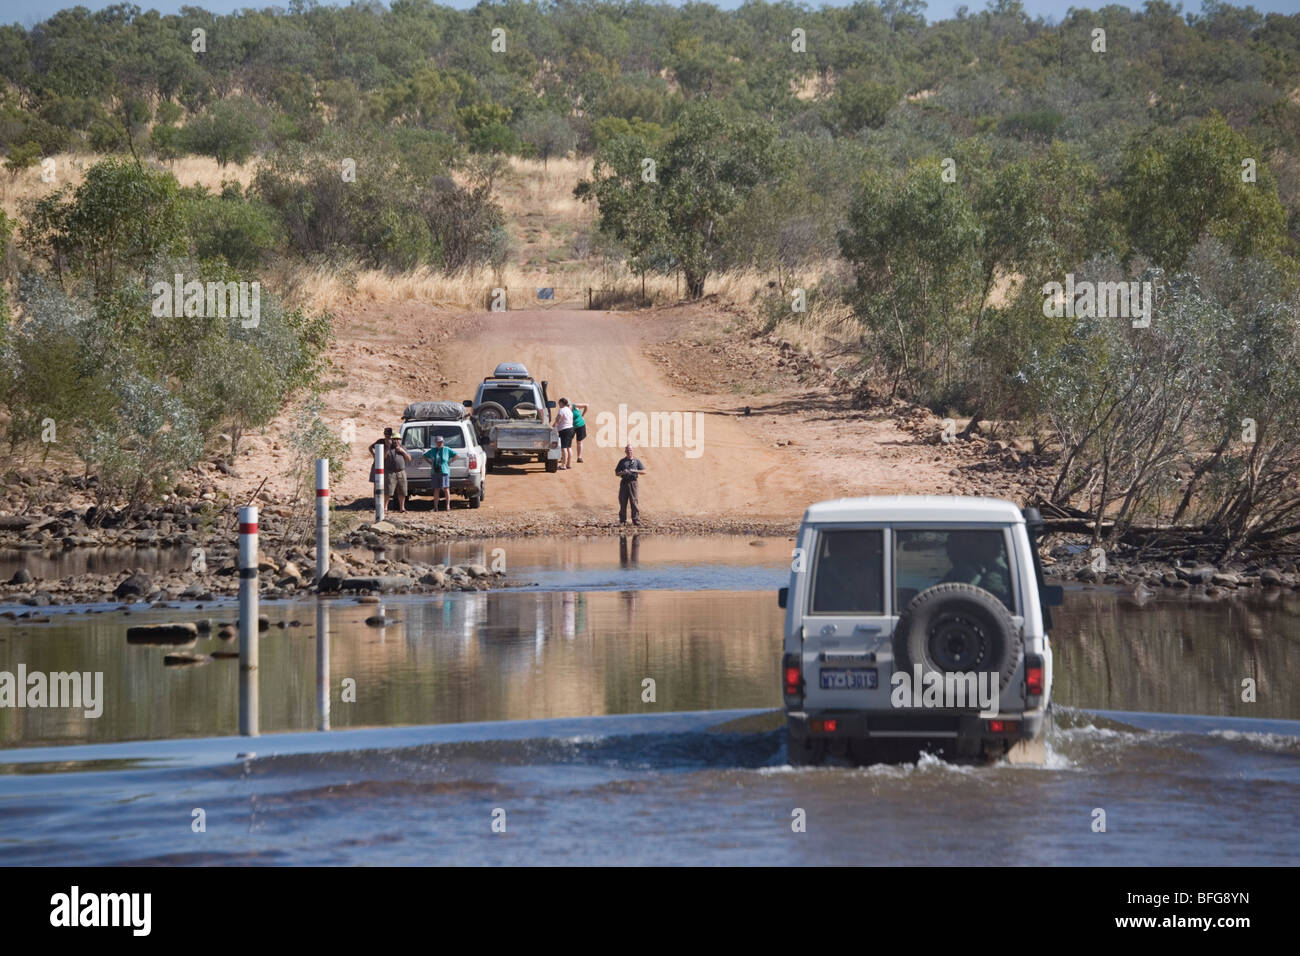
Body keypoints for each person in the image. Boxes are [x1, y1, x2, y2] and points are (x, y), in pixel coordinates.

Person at [368, 427, 411, 513]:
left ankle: (402, 508)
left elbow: (409, 459)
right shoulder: (383, 444)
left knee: (402, 491)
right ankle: (384, 507)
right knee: (388, 490)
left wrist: (402, 451)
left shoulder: (402, 447)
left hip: (401, 471)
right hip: (389, 471)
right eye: (394, 439)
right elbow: (382, 457)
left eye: (397, 439)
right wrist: (377, 454)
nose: (395, 441)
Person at [422, 434, 460, 511]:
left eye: (441, 442)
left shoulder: (447, 449)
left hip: (444, 471)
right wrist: (430, 463)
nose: (440, 443)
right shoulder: (433, 450)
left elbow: (456, 455)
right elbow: (424, 456)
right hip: (435, 472)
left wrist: (450, 461)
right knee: (436, 489)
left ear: (443, 442)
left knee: (446, 488)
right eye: (438, 442)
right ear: (436, 442)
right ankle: (436, 507)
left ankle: (448, 506)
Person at [614, 444, 646, 525]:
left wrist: (634, 470)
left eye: (630, 450)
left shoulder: (637, 461)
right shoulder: (622, 461)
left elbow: (644, 471)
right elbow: (616, 473)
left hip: (633, 483)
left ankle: (636, 520)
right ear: (625, 451)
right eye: (628, 450)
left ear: (633, 451)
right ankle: (622, 520)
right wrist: (622, 472)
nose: (629, 451)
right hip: (624, 482)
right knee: (623, 501)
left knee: (634, 502)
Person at [555, 398, 576, 470]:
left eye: (559, 403)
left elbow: (558, 420)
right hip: (571, 429)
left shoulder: (562, 410)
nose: (558, 405)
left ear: (561, 403)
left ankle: (563, 465)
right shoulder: (569, 410)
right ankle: (568, 464)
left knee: (563, 448)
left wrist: (552, 427)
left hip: (564, 430)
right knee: (568, 447)